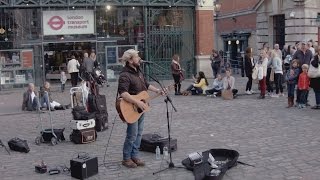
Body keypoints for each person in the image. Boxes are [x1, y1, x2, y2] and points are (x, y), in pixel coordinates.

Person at [117, 49, 164, 168]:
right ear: (130, 60)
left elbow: (146, 85)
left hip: (140, 108)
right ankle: (126, 158)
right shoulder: (124, 75)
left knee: (139, 134)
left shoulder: (138, 72)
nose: (139, 59)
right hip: (131, 108)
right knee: (132, 134)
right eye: (137, 57)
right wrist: (137, 102)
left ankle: (135, 156)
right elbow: (123, 94)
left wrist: (157, 90)